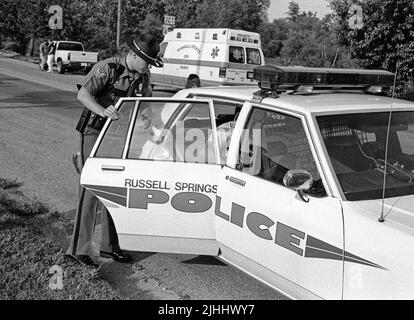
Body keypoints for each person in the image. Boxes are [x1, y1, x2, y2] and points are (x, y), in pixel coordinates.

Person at [66, 32, 163, 268]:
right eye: (146, 61)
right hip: (94, 133)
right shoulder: (108, 68)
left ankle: (109, 247)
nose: (148, 66)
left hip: (120, 137)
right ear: (132, 54)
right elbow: (83, 94)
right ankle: (78, 250)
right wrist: (103, 111)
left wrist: (147, 118)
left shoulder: (143, 77)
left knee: (114, 190)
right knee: (91, 189)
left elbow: (144, 105)